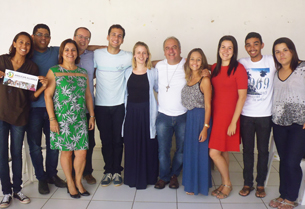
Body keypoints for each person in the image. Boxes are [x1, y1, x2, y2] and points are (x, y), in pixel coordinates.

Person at [0, 32, 48, 208]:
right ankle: (6, 192)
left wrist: (43, 87)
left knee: (17, 153)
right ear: (14, 43)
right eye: (21, 42)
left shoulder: (31, 67)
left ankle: (17, 189)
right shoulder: (2, 60)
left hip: (20, 114)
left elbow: (32, 97)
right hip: (1, 113)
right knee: (2, 155)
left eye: (28, 44)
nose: (24, 46)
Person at [44, 39, 95, 199]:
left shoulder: (82, 73)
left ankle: (78, 181)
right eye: (67, 50)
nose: (70, 53)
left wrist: (92, 115)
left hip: (80, 118)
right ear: (62, 53)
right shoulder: (54, 71)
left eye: (73, 50)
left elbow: (87, 95)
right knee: (66, 152)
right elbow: (48, 95)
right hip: (62, 119)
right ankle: (70, 183)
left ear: (77, 53)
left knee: (82, 153)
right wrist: (52, 119)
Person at [26, 24, 66, 195]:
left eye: (47, 35)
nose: (43, 38)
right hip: (32, 108)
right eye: (40, 34)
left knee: (53, 145)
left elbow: (77, 47)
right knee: (35, 145)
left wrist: (106, 47)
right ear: (33, 36)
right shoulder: (26, 54)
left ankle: (52, 175)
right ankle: (41, 178)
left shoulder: (55, 52)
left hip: (54, 108)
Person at [209, 35, 248, 199]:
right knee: (222, 151)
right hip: (216, 115)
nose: (226, 51)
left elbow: (242, 97)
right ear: (218, 49)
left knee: (214, 153)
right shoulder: (215, 67)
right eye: (223, 47)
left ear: (234, 50)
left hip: (228, 117)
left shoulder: (238, 69)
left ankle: (227, 184)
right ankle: (225, 182)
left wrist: (233, 122)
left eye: (229, 47)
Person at [238, 32, 276, 198]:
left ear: (262, 45)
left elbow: (294, 63)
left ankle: (260, 184)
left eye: (255, 44)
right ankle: (248, 183)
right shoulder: (241, 63)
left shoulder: (272, 61)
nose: (251, 48)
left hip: (265, 115)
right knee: (247, 151)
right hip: (246, 115)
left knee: (263, 151)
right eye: (248, 44)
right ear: (245, 47)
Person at [269, 38, 305, 209]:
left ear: (292, 50)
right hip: (279, 123)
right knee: (284, 161)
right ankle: (283, 194)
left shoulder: (303, 68)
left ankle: (291, 198)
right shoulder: (276, 73)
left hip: (300, 125)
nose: (281, 54)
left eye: (285, 50)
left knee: (292, 161)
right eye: (277, 51)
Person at [94, 24, 132, 186]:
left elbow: (147, 60)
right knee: (106, 139)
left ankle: (117, 171)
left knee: (118, 139)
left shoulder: (128, 56)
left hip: (119, 105)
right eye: (113, 35)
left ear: (123, 39)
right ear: (108, 37)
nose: (116, 38)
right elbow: (82, 49)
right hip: (101, 105)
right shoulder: (97, 54)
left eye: (120, 35)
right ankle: (108, 171)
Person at [123, 42, 159, 189]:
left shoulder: (153, 72)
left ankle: (149, 177)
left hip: (147, 112)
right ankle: (132, 177)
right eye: (138, 52)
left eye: (144, 52)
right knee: (132, 144)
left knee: (148, 145)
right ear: (134, 55)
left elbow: (159, 89)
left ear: (148, 55)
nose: (141, 55)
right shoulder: (127, 72)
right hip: (131, 113)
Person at [154, 37, 187, 189]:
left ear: (180, 49)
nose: (171, 50)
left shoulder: (188, 64)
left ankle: (174, 175)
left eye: (174, 47)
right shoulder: (159, 66)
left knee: (181, 149)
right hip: (163, 116)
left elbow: (202, 67)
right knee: (163, 150)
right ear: (164, 51)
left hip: (183, 115)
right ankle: (164, 176)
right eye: (167, 48)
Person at [181, 48, 212, 195]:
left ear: (202, 62)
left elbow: (208, 105)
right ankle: (191, 184)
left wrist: (205, 127)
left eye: (198, 59)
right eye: (192, 59)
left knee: (200, 153)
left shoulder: (204, 79)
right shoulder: (189, 78)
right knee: (191, 152)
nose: (195, 62)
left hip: (200, 119)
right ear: (188, 61)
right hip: (190, 117)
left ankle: (199, 186)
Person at [72, 27, 97, 184]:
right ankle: (72, 175)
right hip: (69, 107)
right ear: (73, 37)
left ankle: (87, 172)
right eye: (80, 37)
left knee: (90, 141)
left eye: (87, 38)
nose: (83, 40)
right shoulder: (63, 53)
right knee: (70, 144)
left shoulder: (92, 56)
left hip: (88, 106)